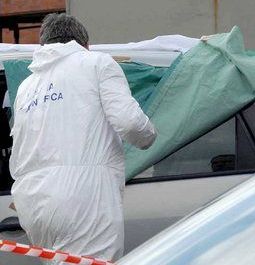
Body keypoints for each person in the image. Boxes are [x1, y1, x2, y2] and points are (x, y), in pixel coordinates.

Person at [9, 13, 157, 263]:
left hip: (33, 204)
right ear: (84, 44)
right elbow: (131, 124)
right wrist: (150, 134)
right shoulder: (97, 63)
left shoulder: (27, 86)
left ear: (43, 46)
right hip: (82, 198)